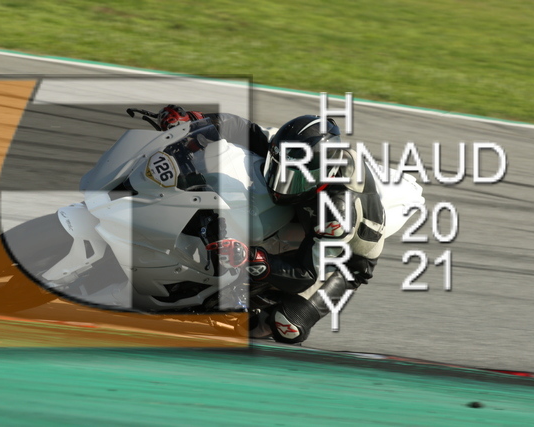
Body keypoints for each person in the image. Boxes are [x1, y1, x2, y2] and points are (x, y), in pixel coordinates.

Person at [157, 105, 385, 344]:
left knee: (287, 326)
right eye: (278, 168)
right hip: (308, 216)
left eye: (292, 177)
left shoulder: (337, 213)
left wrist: (252, 257)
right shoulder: (295, 150)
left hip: (343, 260)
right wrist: (195, 121)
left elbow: (306, 273)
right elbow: (244, 130)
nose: (280, 184)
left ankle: (257, 308)